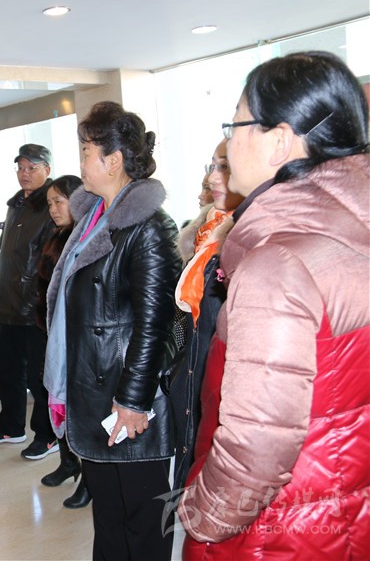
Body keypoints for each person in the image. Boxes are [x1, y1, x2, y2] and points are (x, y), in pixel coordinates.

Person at [179, 51, 369, 557]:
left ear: (280, 141)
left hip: (278, 532)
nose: (228, 143)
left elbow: (256, 449)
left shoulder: (279, 265)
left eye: (236, 125)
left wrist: (201, 515)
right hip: (347, 509)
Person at [43, 102, 181, 559]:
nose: (81, 162)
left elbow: (155, 323)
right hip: (93, 390)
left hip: (128, 402)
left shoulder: (148, 228)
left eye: (86, 152)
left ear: (114, 160)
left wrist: (134, 400)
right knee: (108, 514)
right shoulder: (92, 219)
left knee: (143, 520)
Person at [167, 139, 244, 492]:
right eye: (212, 167)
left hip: (223, 387)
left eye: (223, 167)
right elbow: (185, 316)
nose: (213, 179)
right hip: (192, 372)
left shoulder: (244, 239)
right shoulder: (206, 235)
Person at [0, 143, 58, 461]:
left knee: (39, 378)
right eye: (21, 167)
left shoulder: (51, 205)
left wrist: (40, 299)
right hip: (8, 304)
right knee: (8, 372)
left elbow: (50, 261)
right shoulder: (15, 205)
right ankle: (11, 427)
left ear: (47, 170)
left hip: (34, 307)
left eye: (32, 167)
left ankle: (47, 435)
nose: (24, 173)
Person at [37, 175, 92, 510]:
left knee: (78, 408)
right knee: (56, 401)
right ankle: (68, 461)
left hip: (75, 337)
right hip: (52, 332)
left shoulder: (87, 237)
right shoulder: (57, 235)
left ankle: (89, 477)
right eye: (50, 203)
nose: (54, 209)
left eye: (59, 201)